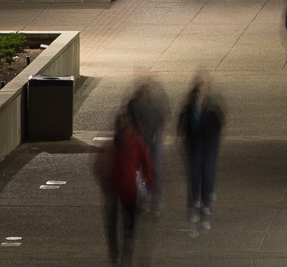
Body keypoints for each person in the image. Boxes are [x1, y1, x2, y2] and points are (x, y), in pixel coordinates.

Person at [95, 111, 154, 263]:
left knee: (127, 221)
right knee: (116, 222)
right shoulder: (115, 145)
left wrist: (148, 182)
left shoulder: (132, 141)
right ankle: (118, 249)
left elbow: (145, 162)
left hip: (126, 189)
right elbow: (100, 165)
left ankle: (125, 248)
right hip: (117, 188)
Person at [177, 76, 223, 236]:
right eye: (198, 90)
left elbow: (218, 125)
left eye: (203, 90)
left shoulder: (212, 109)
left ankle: (206, 206)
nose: (200, 94)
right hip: (195, 149)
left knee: (208, 177)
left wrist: (213, 142)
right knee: (195, 177)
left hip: (208, 149)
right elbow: (183, 126)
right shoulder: (190, 109)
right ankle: (195, 207)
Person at [125, 80, 168, 216]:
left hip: (152, 140)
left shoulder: (149, 104)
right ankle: (144, 200)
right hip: (142, 142)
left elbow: (161, 117)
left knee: (154, 171)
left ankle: (154, 202)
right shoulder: (134, 104)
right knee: (142, 172)